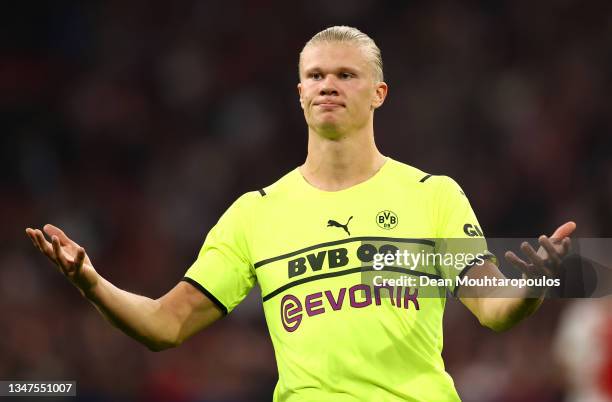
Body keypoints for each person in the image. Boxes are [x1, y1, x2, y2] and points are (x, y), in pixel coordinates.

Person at [26, 26, 575, 401]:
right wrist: (92, 283)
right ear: (299, 93)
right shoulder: (254, 214)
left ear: (379, 92)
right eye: (315, 76)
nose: (328, 84)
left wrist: (533, 283)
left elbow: (493, 307)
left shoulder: (433, 195)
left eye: (345, 74)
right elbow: (165, 325)